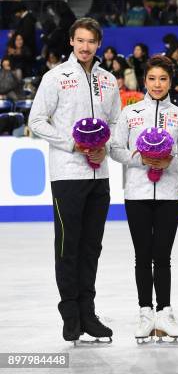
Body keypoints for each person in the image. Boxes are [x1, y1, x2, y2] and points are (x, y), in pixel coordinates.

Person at [28, 18, 121, 343]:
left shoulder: (108, 80)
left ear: (98, 44)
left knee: (91, 248)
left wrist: (104, 149)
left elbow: (116, 125)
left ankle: (88, 313)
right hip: (68, 174)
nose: (85, 47)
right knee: (69, 247)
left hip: (99, 176)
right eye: (80, 40)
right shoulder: (56, 77)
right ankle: (70, 315)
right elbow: (36, 120)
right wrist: (72, 143)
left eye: (91, 41)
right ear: (71, 41)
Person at [110, 55, 178, 343]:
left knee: (163, 256)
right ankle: (145, 312)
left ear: (170, 82)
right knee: (143, 255)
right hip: (137, 194)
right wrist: (141, 160)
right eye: (152, 79)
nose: (157, 84)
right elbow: (116, 149)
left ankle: (165, 312)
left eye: (163, 79)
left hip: (169, 194)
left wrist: (168, 162)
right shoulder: (130, 113)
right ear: (144, 80)